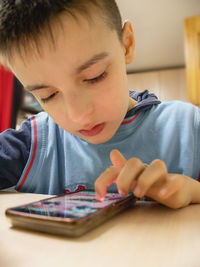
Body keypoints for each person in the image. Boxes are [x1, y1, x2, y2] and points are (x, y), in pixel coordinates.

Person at [0, 0, 199, 209]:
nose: (78, 116)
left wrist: (193, 191)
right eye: (48, 95)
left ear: (127, 44)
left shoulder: (189, 127)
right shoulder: (31, 142)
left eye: (95, 77)